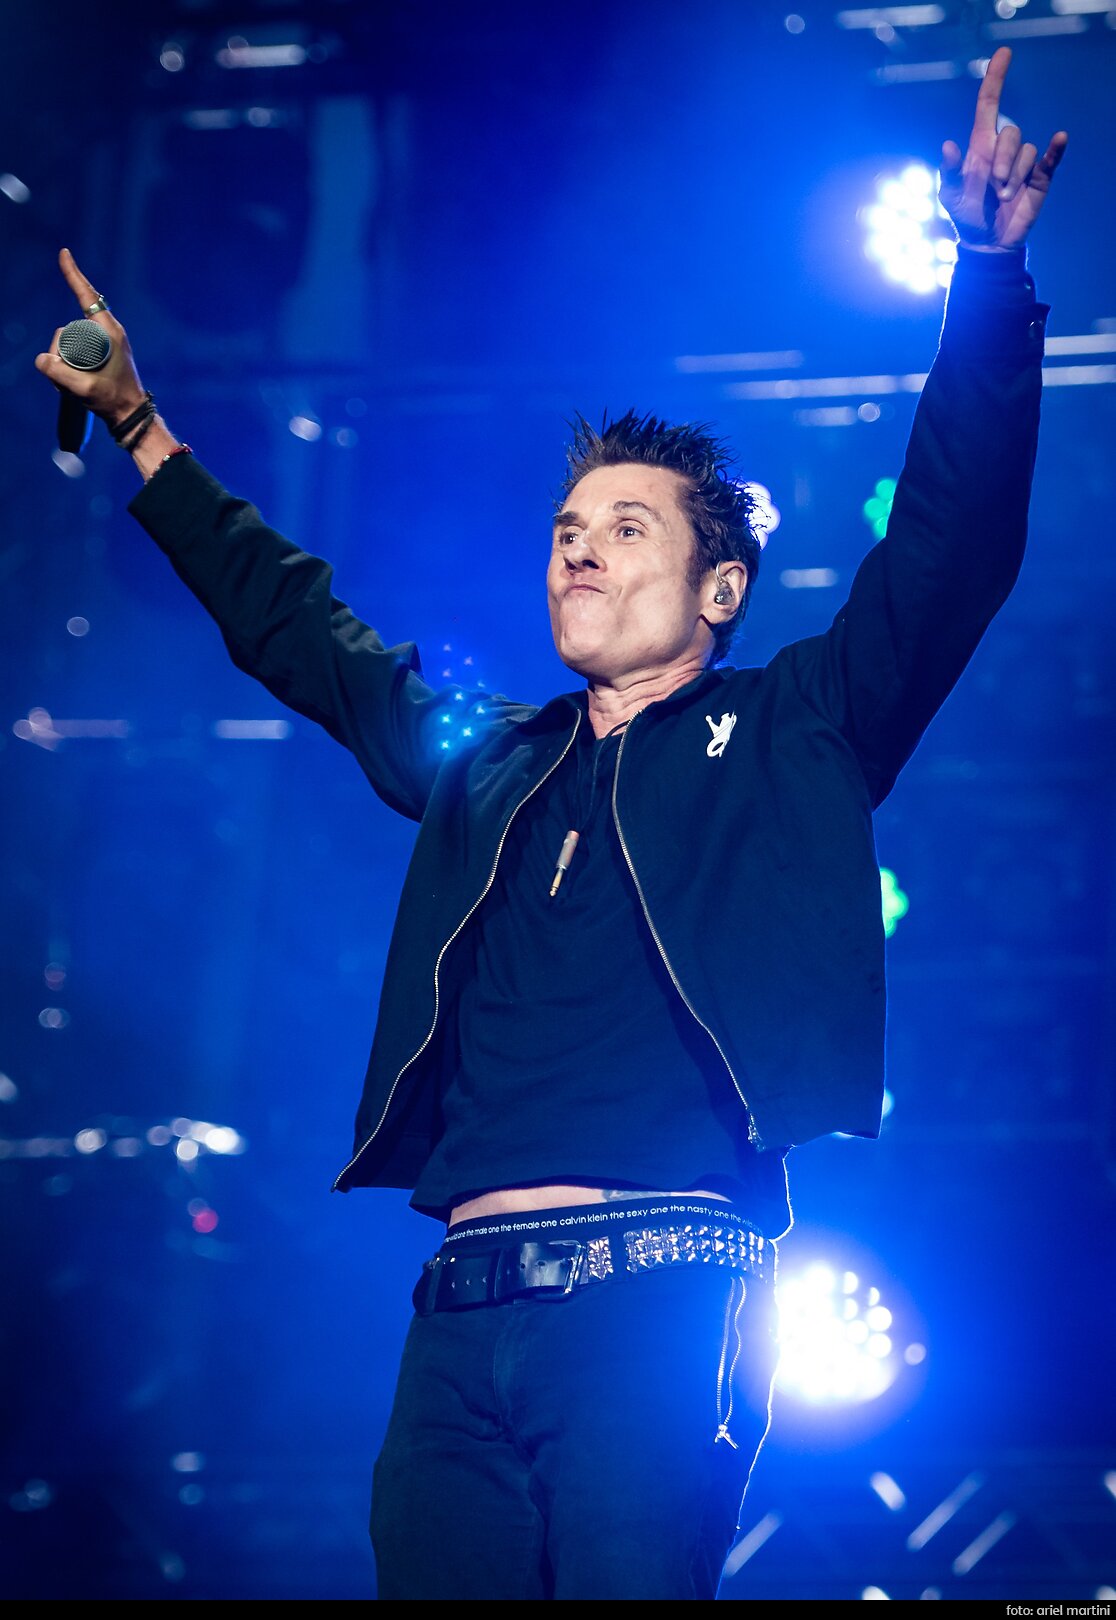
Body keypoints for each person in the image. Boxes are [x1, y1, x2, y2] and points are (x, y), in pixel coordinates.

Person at [37, 47, 1065, 1602]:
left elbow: (950, 545)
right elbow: (299, 629)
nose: (578, 552)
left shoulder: (790, 727)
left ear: (720, 589)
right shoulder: (491, 762)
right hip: (458, 1317)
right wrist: (141, 428)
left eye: (625, 529)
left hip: (662, 1299)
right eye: (567, 530)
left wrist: (986, 283)